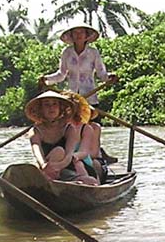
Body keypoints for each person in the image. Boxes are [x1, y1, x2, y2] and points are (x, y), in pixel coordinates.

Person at [38, 23, 119, 163]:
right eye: (75, 33)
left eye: (81, 32)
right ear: (71, 36)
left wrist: (109, 78)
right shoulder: (66, 52)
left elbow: (101, 73)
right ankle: (68, 155)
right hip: (72, 98)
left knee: (92, 127)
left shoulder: (93, 52)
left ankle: (96, 154)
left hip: (90, 95)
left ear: (87, 35)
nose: (79, 35)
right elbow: (61, 74)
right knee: (72, 127)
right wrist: (47, 80)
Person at [25, 91, 101, 185]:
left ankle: (62, 184)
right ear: (40, 109)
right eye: (46, 104)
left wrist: (58, 166)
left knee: (91, 181)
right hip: (46, 169)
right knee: (58, 152)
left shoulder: (69, 129)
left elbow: (69, 155)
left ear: (60, 108)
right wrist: (44, 165)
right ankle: (48, 182)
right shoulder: (35, 131)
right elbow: (37, 152)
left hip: (66, 168)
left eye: (54, 104)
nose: (51, 107)